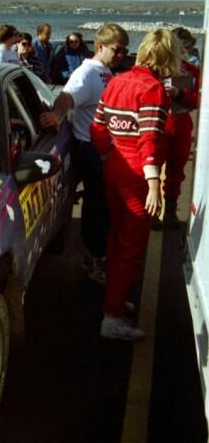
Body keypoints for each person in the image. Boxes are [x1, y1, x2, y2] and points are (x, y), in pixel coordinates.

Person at [90, 29, 181, 340]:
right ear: (167, 58)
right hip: (137, 174)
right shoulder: (154, 90)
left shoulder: (116, 81)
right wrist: (155, 183)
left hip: (115, 165)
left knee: (117, 236)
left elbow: (98, 127)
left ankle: (113, 300)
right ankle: (112, 317)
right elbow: (150, 141)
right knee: (132, 245)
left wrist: (105, 156)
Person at [40, 23, 129, 284]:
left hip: (102, 147)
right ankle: (94, 259)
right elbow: (67, 96)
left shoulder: (105, 72)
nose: (121, 54)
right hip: (88, 147)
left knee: (102, 205)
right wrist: (57, 115)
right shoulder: (87, 72)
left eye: (125, 50)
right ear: (100, 47)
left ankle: (98, 254)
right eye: (117, 50)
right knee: (97, 206)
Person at [154, 28, 200, 228]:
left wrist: (180, 94)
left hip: (180, 122)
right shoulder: (157, 68)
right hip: (159, 122)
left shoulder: (192, 70)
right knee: (152, 167)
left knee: (176, 169)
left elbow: (200, 101)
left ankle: (170, 211)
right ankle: (152, 212)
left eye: (186, 48)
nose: (182, 52)